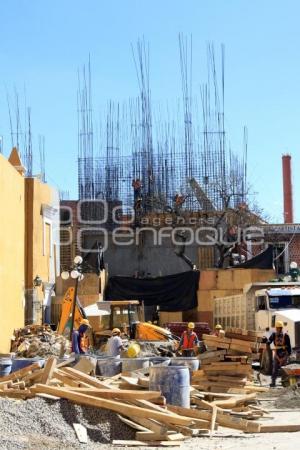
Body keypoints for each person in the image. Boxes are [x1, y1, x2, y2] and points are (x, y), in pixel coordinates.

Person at [267, 320, 291, 387]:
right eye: (277, 328)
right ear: (276, 328)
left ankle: (286, 383)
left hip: (284, 354)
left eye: (280, 328)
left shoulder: (286, 336)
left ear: (282, 328)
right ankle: (273, 382)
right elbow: (270, 340)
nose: (278, 329)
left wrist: (288, 355)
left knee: (285, 370)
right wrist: (267, 341)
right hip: (277, 354)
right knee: (275, 369)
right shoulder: (274, 335)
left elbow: (289, 346)